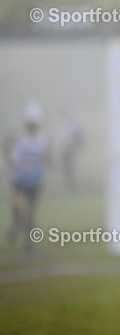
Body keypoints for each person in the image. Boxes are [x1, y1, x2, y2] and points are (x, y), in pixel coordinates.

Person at [5, 103, 48, 254]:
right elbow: (7, 147)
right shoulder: (18, 137)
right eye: (31, 124)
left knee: (30, 212)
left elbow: (47, 156)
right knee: (16, 205)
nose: (33, 127)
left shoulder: (43, 138)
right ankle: (16, 224)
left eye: (35, 124)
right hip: (19, 179)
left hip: (35, 180)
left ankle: (28, 242)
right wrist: (10, 161)